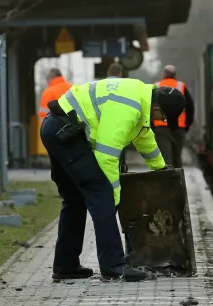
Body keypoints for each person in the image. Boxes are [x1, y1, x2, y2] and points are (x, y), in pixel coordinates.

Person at [41, 79, 186, 282]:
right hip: (65, 134)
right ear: (156, 106)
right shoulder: (129, 106)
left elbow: (144, 139)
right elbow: (106, 154)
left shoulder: (140, 97)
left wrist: (161, 169)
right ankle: (114, 265)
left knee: (75, 199)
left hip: (58, 128)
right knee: (102, 194)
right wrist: (114, 194)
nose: (160, 121)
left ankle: (65, 265)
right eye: (162, 116)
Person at [153, 65, 195, 168]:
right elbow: (190, 107)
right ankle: (179, 182)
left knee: (166, 159)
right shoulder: (181, 87)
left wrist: (152, 125)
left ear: (164, 74)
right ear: (174, 75)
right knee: (177, 159)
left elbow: (149, 106)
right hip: (179, 128)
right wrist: (187, 125)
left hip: (161, 129)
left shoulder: (156, 86)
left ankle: (167, 183)